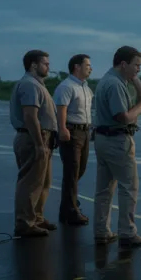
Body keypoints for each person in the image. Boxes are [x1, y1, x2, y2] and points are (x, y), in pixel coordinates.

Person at [92, 45, 141, 248]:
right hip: (116, 139)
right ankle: (127, 231)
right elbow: (122, 117)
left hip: (103, 138)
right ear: (123, 64)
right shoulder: (115, 84)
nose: (138, 70)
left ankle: (101, 230)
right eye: (136, 65)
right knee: (128, 187)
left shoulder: (109, 80)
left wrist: (134, 79)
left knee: (104, 188)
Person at [10, 49, 59, 238]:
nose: (48, 66)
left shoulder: (38, 84)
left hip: (41, 137)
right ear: (33, 65)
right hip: (33, 138)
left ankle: (36, 218)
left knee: (43, 182)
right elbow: (30, 116)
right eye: (45, 63)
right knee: (30, 183)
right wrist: (39, 144)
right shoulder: (30, 85)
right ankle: (24, 223)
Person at [54, 53, 94, 226]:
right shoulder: (66, 86)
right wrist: (62, 128)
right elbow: (61, 108)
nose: (90, 68)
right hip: (72, 131)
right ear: (77, 67)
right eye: (87, 65)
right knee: (71, 171)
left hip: (84, 132)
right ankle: (71, 211)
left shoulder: (86, 87)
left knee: (80, 169)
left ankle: (67, 206)